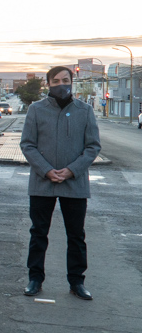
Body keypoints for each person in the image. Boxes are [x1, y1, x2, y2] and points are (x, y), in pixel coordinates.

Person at [19, 66, 101, 300]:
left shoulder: (84, 111)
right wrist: (46, 171)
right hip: (42, 182)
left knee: (76, 235)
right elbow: (27, 144)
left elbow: (93, 146)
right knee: (38, 233)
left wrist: (71, 171)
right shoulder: (36, 110)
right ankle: (35, 278)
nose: (61, 84)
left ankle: (77, 281)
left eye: (66, 80)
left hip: (74, 184)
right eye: (56, 80)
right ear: (48, 84)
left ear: (72, 82)